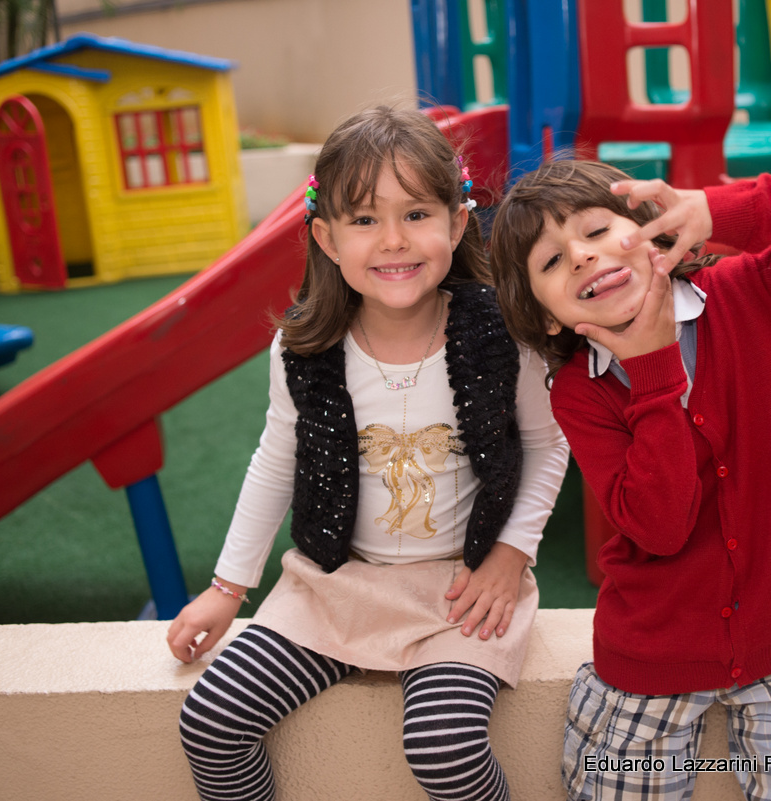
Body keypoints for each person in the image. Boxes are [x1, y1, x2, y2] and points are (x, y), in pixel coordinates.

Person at [166, 106, 569, 801]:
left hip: (461, 594)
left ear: (458, 217)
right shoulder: (305, 348)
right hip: (333, 589)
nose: (392, 241)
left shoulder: (504, 335)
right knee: (212, 719)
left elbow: (546, 443)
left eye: (416, 214)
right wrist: (227, 588)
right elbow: (275, 458)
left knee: (444, 747)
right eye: (363, 220)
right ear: (325, 236)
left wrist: (511, 555)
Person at [489, 160, 771, 800]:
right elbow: (658, 528)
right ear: (546, 317)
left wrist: (728, 210)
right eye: (550, 262)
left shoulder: (760, 296)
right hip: (647, 660)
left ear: (655, 232)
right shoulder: (580, 392)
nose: (580, 256)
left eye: (598, 229)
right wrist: (654, 369)